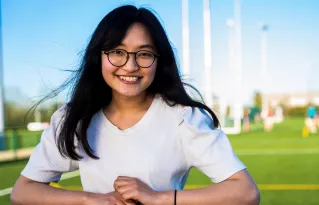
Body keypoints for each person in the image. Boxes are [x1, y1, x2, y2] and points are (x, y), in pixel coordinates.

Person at [11, 5, 260, 205]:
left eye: (143, 53)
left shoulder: (184, 117)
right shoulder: (74, 117)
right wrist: (94, 200)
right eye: (117, 52)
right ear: (98, 56)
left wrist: (158, 198)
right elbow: (23, 192)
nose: (130, 66)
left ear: (157, 60)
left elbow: (246, 192)